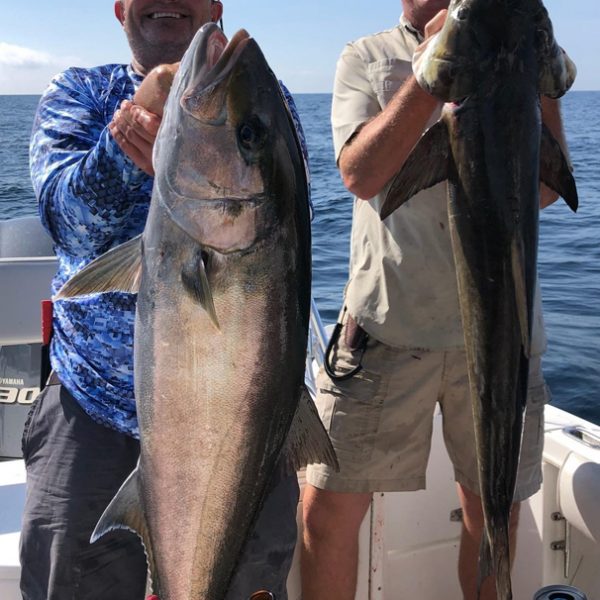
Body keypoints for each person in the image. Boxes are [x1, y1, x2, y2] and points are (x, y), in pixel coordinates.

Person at [21, 2, 305, 599]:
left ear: (215, 7)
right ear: (121, 8)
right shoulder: (81, 93)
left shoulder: (264, 97)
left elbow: (280, 218)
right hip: (91, 418)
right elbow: (64, 219)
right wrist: (131, 141)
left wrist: (182, 149)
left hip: (244, 432)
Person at [300, 2, 572, 599]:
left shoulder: (515, 38)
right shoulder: (365, 57)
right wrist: (433, 78)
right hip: (385, 329)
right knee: (326, 507)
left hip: (507, 335)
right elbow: (362, 176)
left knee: (492, 511)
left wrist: (540, 70)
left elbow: (550, 189)